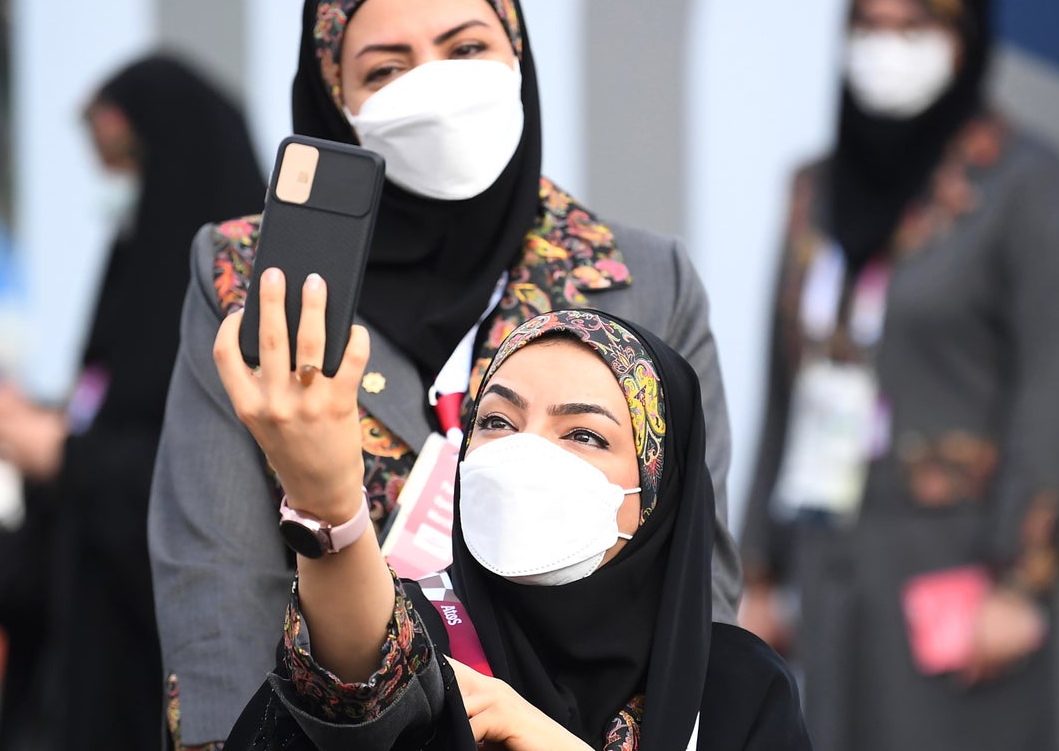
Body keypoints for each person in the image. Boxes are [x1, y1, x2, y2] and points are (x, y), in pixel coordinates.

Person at [148, 0, 743, 749]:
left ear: (519, 61)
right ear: (336, 103)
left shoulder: (643, 276)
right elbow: (213, 564)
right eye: (385, 69)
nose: (434, 86)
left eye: (466, 48)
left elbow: (691, 572)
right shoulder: (253, 275)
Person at [737, 0, 1059, 751]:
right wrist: (757, 567)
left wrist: (1021, 584)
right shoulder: (813, 191)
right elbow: (783, 385)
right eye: (868, 25)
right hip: (830, 564)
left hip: (958, 568)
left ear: (965, 43)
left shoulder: (1025, 183)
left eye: (913, 28)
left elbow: (1050, 389)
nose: (884, 49)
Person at [215, 293, 809, 750]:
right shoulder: (421, 636)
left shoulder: (737, 690)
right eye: (497, 422)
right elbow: (355, 688)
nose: (525, 453)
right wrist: (328, 504)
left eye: (582, 434)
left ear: (657, 493)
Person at [0, 54, 266, 750]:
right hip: (80, 660)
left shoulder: (238, 302)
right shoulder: (135, 274)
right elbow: (115, 411)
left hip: (162, 671)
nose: (117, 190)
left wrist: (61, 453)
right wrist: (42, 421)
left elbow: (200, 474)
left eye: (128, 166)